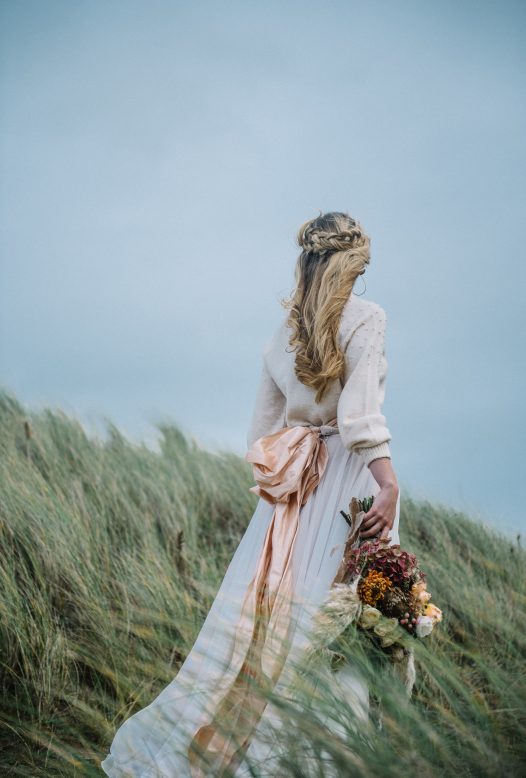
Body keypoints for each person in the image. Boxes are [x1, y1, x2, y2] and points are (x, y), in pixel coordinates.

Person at [101, 210, 400, 777]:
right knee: (337, 627)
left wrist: (288, 483)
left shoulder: (280, 337)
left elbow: (262, 436)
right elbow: (360, 416)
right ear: (355, 264)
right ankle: (320, 760)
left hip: (293, 491)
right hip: (349, 480)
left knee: (270, 628)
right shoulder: (367, 317)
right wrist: (387, 483)